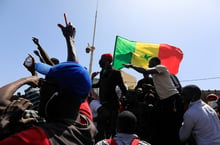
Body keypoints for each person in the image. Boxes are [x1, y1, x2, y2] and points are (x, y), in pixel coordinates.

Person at [0, 16, 96, 145]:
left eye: (47, 82)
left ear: (58, 94)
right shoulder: (84, 120)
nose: (42, 84)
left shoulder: (33, 139)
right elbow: (75, 69)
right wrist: (70, 39)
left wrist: (4, 125)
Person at [123, 57, 183, 145]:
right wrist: (151, 88)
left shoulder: (161, 67)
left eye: (150, 62)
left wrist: (132, 66)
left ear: (156, 63)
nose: (148, 64)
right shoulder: (155, 76)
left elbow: (145, 71)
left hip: (172, 99)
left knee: (173, 125)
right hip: (164, 101)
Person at [92, 53, 127, 141]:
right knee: (101, 128)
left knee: (111, 130)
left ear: (108, 61)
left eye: (102, 59)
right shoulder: (102, 72)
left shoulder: (116, 72)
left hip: (113, 105)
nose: (100, 61)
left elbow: (122, 87)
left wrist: (127, 98)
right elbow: (99, 84)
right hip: (103, 104)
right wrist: (90, 82)